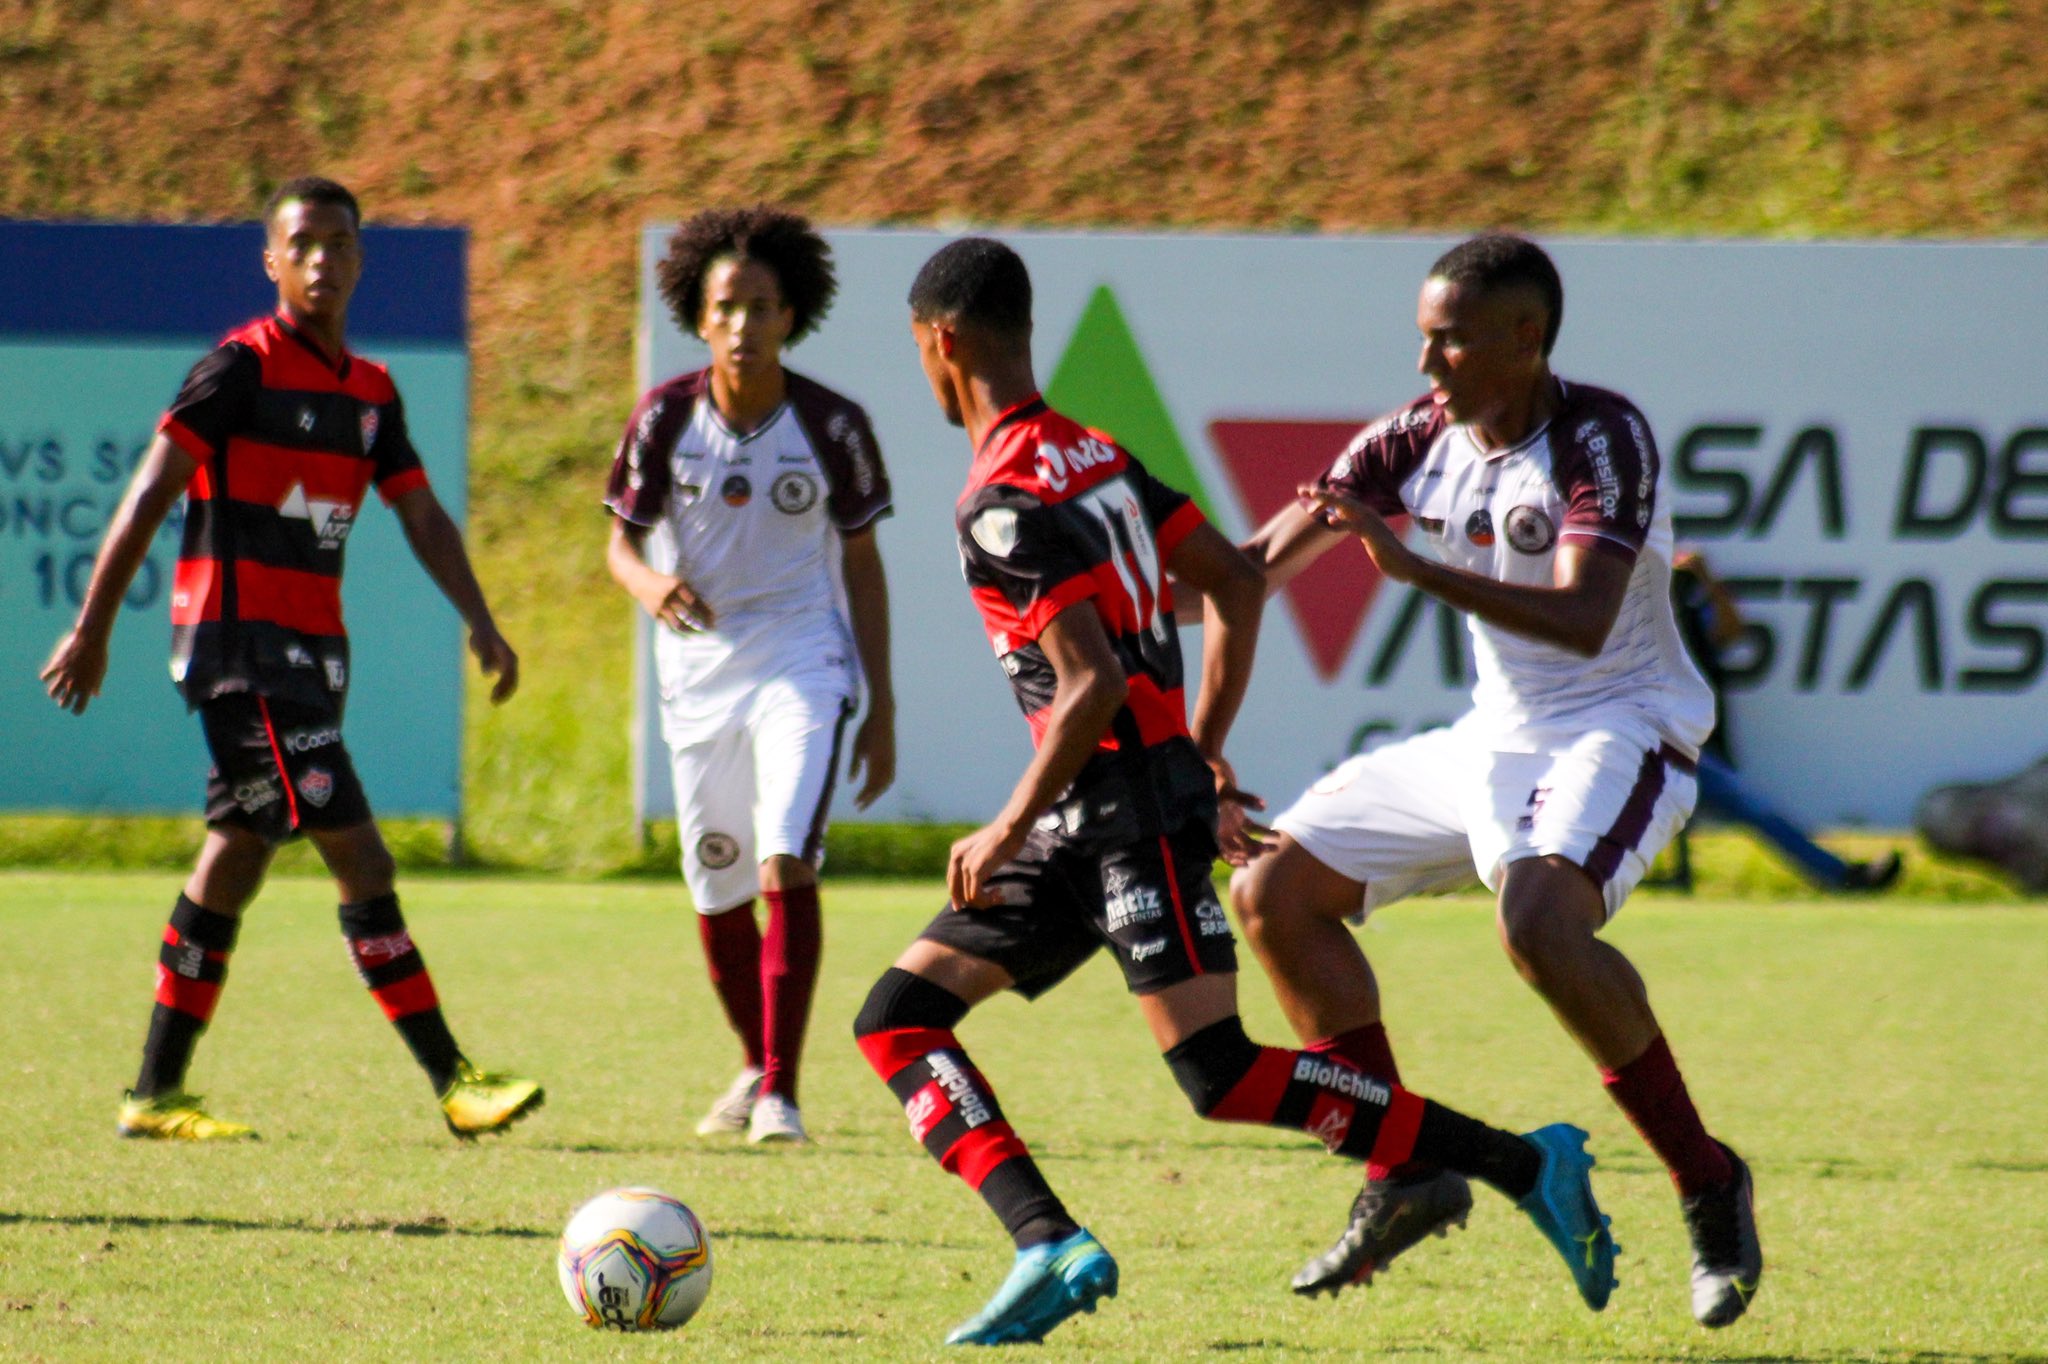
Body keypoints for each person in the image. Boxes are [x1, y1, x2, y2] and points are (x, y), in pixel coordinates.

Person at [852, 236, 1619, 1348]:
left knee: (1217, 1071)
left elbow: (1090, 684)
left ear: (939, 344)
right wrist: (1198, 748)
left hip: (1112, 819)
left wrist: (1010, 817)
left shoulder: (1001, 502)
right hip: (1104, 810)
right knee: (898, 1017)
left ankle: (1518, 1160)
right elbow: (1233, 579)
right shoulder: (1095, 453)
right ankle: (1046, 1241)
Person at [1226, 233, 1762, 1329]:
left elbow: (1580, 621)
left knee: (1538, 927)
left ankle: (1706, 1180)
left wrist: (1418, 568)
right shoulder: (1414, 436)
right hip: (1495, 732)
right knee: (1271, 891)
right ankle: (1402, 1169)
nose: (1428, 366)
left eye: (1451, 340)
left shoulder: (1599, 434)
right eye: (1423, 338)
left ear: (1525, 338)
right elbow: (1245, 576)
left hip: (1618, 724)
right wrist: (1156, 642)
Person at [39, 176, 542, 1142]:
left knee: (235, 855)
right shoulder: (239, 368)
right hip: (241, 651)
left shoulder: (371, 392)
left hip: (312, 654)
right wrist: (94, 626)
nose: (322, 259)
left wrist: (480, 619)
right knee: (359, 849)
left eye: (339, 242)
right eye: (302, 243)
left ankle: (153, 1093)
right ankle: (453, 1081)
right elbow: (151, 493)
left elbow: (422, 513)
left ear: (360, 258)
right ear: (272, 261)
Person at [604, 206, 895, 1146]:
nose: (742, 324)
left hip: (801, 660)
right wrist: (648, 581)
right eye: (726, 306)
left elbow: (862, 561)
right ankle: (753, 1062)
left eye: (761, 306)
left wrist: (880, 701)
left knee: (783, 860)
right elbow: (620, 544)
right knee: (717, 887)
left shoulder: (833, 424)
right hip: (697, 672)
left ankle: (781, 1091)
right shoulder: (664, 418)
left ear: (790, 315)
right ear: (698, 315)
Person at [1667, 549, 1903, 893]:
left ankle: (1842, 876)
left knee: (1752, 807)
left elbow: (1731, 631)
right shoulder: (1624, 604)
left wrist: (1705, 577)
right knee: (1750, 806)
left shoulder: (1681, 604)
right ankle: (1841, 876)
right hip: (1643, 740)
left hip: (1684, 743)